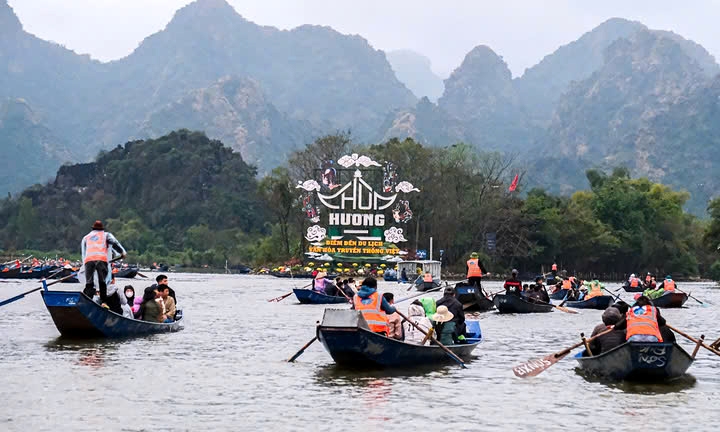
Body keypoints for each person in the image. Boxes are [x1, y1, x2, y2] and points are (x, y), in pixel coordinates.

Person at [81, 220, 126, 306]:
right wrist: (121, 252)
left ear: (93, 228)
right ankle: (103, 301)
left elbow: (84, 252)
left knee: (89, 283)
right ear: (102, 229)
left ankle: (87, 300)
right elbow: (114, 243)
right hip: (101, 260)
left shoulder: (86, 237)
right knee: (102, 282)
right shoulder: (106, 235)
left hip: (89, 260)